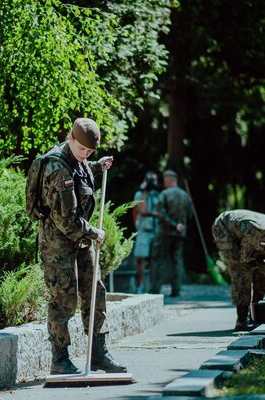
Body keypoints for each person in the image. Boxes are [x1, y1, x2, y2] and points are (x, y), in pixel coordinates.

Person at [38, 117, 127, 375]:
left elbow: (81, 169)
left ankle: (98, 352)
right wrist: (93, 232)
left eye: (90, 152)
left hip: (80, 240)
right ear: (70, 137)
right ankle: (60, 358)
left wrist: (96, 166)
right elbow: (66, 221)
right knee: (63, 299)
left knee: (95, 291)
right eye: (82, 149)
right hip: (58, 243)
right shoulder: (56, 168)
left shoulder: (78, 160)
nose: (84, 155)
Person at [153, 170, 192, 296]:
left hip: (165, 232)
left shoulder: (164, 194)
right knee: (176, 260)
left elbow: (161, 213)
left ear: (169, 180)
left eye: (165, 181)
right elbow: (189, 215)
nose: (164, 183)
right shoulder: (185, 195)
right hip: (180, 233)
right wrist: (180, 226)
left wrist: (173, 225)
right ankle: (176, 290)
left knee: (159, 259)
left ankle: (155, 289)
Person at [132, 171, 160, 294]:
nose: (153, 183)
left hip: (155, 230)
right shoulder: (139, 194)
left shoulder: (157, 195)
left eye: (154, 180)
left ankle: (154, 286)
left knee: (155, 259)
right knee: (140, 259)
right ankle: (140, 286)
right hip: (143, 230)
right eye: (150, 180)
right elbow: (137, 211)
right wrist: (136, 226)